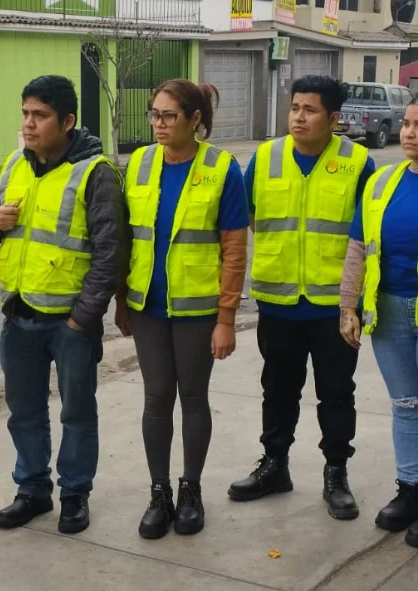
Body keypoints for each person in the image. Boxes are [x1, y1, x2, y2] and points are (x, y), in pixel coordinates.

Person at [0, 75, 123, 534]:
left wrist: (85, 316)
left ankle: (75, 494)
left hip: (69, 322)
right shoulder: (14, 164)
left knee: (76, 411)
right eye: (25, 113)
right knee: (23, 411)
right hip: (19, 314)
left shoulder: (95, 172)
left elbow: (110, 251)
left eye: (39, 116)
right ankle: (33, 489)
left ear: (67, 121)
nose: (28, 124)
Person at [229, 75, 375, 518]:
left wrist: (354, 303)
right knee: (277, 389)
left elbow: (368, 233)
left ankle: (336, 473)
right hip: (278, 302)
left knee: (335, 393)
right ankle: (275, 466)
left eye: (310, 110)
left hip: (334, 308)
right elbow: (247, 217)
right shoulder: (267, 157)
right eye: (295, 108)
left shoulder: (358, 163)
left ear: (334, 119)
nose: (298, 117)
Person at [116, 80, 248, 538]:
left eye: (169, 115)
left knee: (192, 398)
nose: (158, 124)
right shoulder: (139, 163)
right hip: (147, 306)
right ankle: (160, 493)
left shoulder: (223, 169)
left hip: (196, 310)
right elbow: (127, 238)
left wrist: (226, 319)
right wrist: (121, 300)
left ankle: (190, 490)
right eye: (154, 114)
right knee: (156, 399)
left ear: (196, 120)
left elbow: (234, 249)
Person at [340, 97, 418, 547]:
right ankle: (410, 490)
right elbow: (358, 247)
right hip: (388, 310)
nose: (408, 132)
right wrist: (348, 307)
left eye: (416, 126)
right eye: (406, 124)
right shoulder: (383, 182)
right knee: (406, 405)